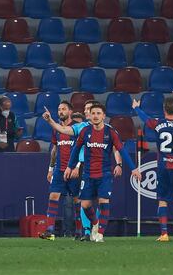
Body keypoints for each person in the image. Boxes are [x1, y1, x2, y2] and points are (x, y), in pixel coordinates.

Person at [42, 100, 123, 241]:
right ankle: (79, 230)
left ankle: (92, 231)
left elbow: (116, 148)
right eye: (86, 110)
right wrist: (54, 168)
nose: (86, 112)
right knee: (79, 201)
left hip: (89, 169)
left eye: (89, 109)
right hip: (72, 169)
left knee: (90, 200)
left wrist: (119, 164)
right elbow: (62, 145)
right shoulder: (82, 128)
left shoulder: (105, 130)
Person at [64, 104, 141, 242]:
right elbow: (76, 149)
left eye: (98, 113)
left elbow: (122, 150)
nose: (95, 116)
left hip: (104, 174)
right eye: (93, 113)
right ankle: (95, 223)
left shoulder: (110, 132)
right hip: (88, 174)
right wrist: (70, 167)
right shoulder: (85, 131)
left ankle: (99, 234)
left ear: (103, 116)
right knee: (85, 205)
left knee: (103, 201)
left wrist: (133, 168)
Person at [132, 97, 173, 242]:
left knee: (163, 201)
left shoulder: (159, 123)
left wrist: (136, 107)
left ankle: (164, 234)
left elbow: (145, 119)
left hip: (164, 166)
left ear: (164, 109)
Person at [39, 101, 82, 241]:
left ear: (70, 112)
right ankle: (50, 231)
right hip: (59, 170)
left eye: (63, 109)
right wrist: (51, 169)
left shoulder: (76, 128)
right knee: (53, 196)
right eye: (59, 109)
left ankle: (80, 231)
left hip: (74, 170)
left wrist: (78, 167)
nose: (60, 112)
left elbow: (83, 148)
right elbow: (55, 149)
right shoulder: (56, 129)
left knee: (77, 201)